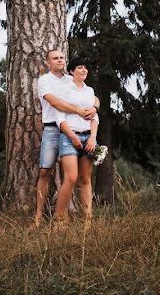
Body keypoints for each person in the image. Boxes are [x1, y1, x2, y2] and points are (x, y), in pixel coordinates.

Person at [35, 50, 99, 226]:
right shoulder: (44, 80)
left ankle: (67, 216)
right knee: (45, 171)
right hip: (52, 128)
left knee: (74, 176)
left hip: (74, 129)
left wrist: (94, 108)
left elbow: (91, 97)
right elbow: (55, 103)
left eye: (62, 58)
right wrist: (77, 110)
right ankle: (39, 216)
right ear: (48, 62)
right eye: (55, 58)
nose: (59, 60)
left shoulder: (70, 79)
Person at [54, 57, 98, 224]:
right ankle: (59, 220)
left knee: (86, 179)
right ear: (72, 71)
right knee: (71, 178)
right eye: (80, 67)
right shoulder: (64, 90)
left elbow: (95, 116)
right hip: (69, 136)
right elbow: (60, 117)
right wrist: (72, 137)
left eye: (86, 68)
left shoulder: (89, 91)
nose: (84, 70)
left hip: (88, 137)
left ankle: (87, 220)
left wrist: (93, 137)